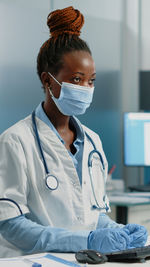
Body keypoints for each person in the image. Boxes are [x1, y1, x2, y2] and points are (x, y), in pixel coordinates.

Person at [0, 6, 148, 258]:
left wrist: (118, 232)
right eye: (77, 80)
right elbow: (10, 224)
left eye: (91, 81)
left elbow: (91, 216)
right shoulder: (16, 140)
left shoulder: (93, 141)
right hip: (34, 261)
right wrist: (85, 239)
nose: (86, 88)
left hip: (83, 260)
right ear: (48, 81)